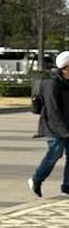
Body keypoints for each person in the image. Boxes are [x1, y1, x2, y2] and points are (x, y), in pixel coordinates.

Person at [28, 50, 69, 197]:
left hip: (66, 124)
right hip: (54, 126)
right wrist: (64, 131)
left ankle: (67, 186)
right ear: (66, 66)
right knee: (55, 153)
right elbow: (53, 110)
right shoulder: (52, 84)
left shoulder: (67, 82)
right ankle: (36, 179)